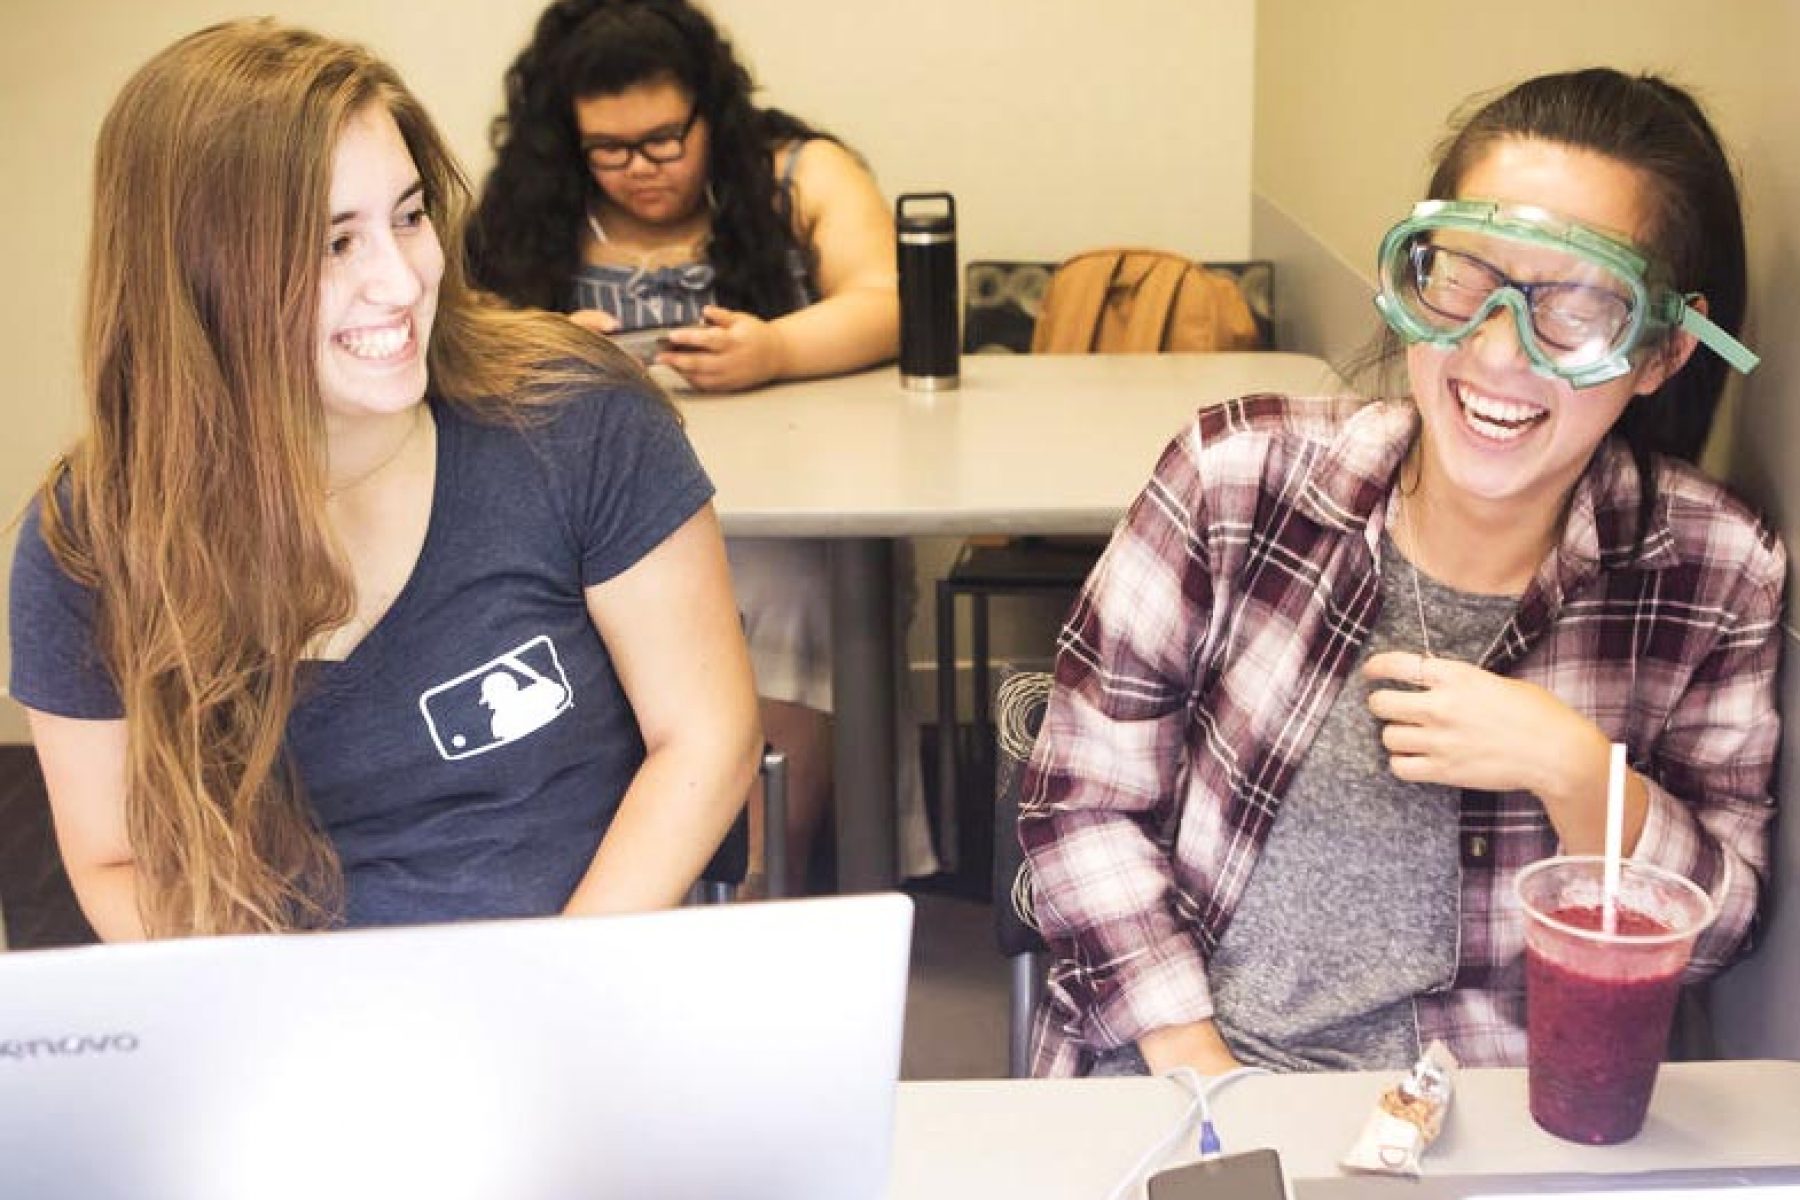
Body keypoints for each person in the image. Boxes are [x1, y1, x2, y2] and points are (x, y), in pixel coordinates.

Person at [1018, 68, 1782, 1077]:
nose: (1499, 351)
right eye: (1463, 276)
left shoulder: (1715, 570)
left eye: (1581, 309)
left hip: (1489, 1121)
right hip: (1182, 1072)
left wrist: (1574, 773)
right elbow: (1079, 801)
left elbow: (1717, 931)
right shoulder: (1235, 477)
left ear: (1661, 353)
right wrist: (1203, 1077)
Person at [6, 19, 762, 939]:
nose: (403, 282)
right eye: (335, 244)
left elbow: (707, 739)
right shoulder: (90, 540)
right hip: (284, 1029)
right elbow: (113, 857)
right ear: (196, 280)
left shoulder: (574, 417)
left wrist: (556, 992)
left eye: (408, 218)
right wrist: (279, 1027)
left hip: (572, 986)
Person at [470, 0, 921, 889]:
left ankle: (753, 879)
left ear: (710, 109)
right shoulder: (532, 206)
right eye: (609, 149)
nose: (641, 170)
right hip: (602, 510)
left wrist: (779, 348)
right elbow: (462, 333)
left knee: (793, 589)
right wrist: (551, 347)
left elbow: (890, 299)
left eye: (666, 140)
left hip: (796, 505)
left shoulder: (797, 170)